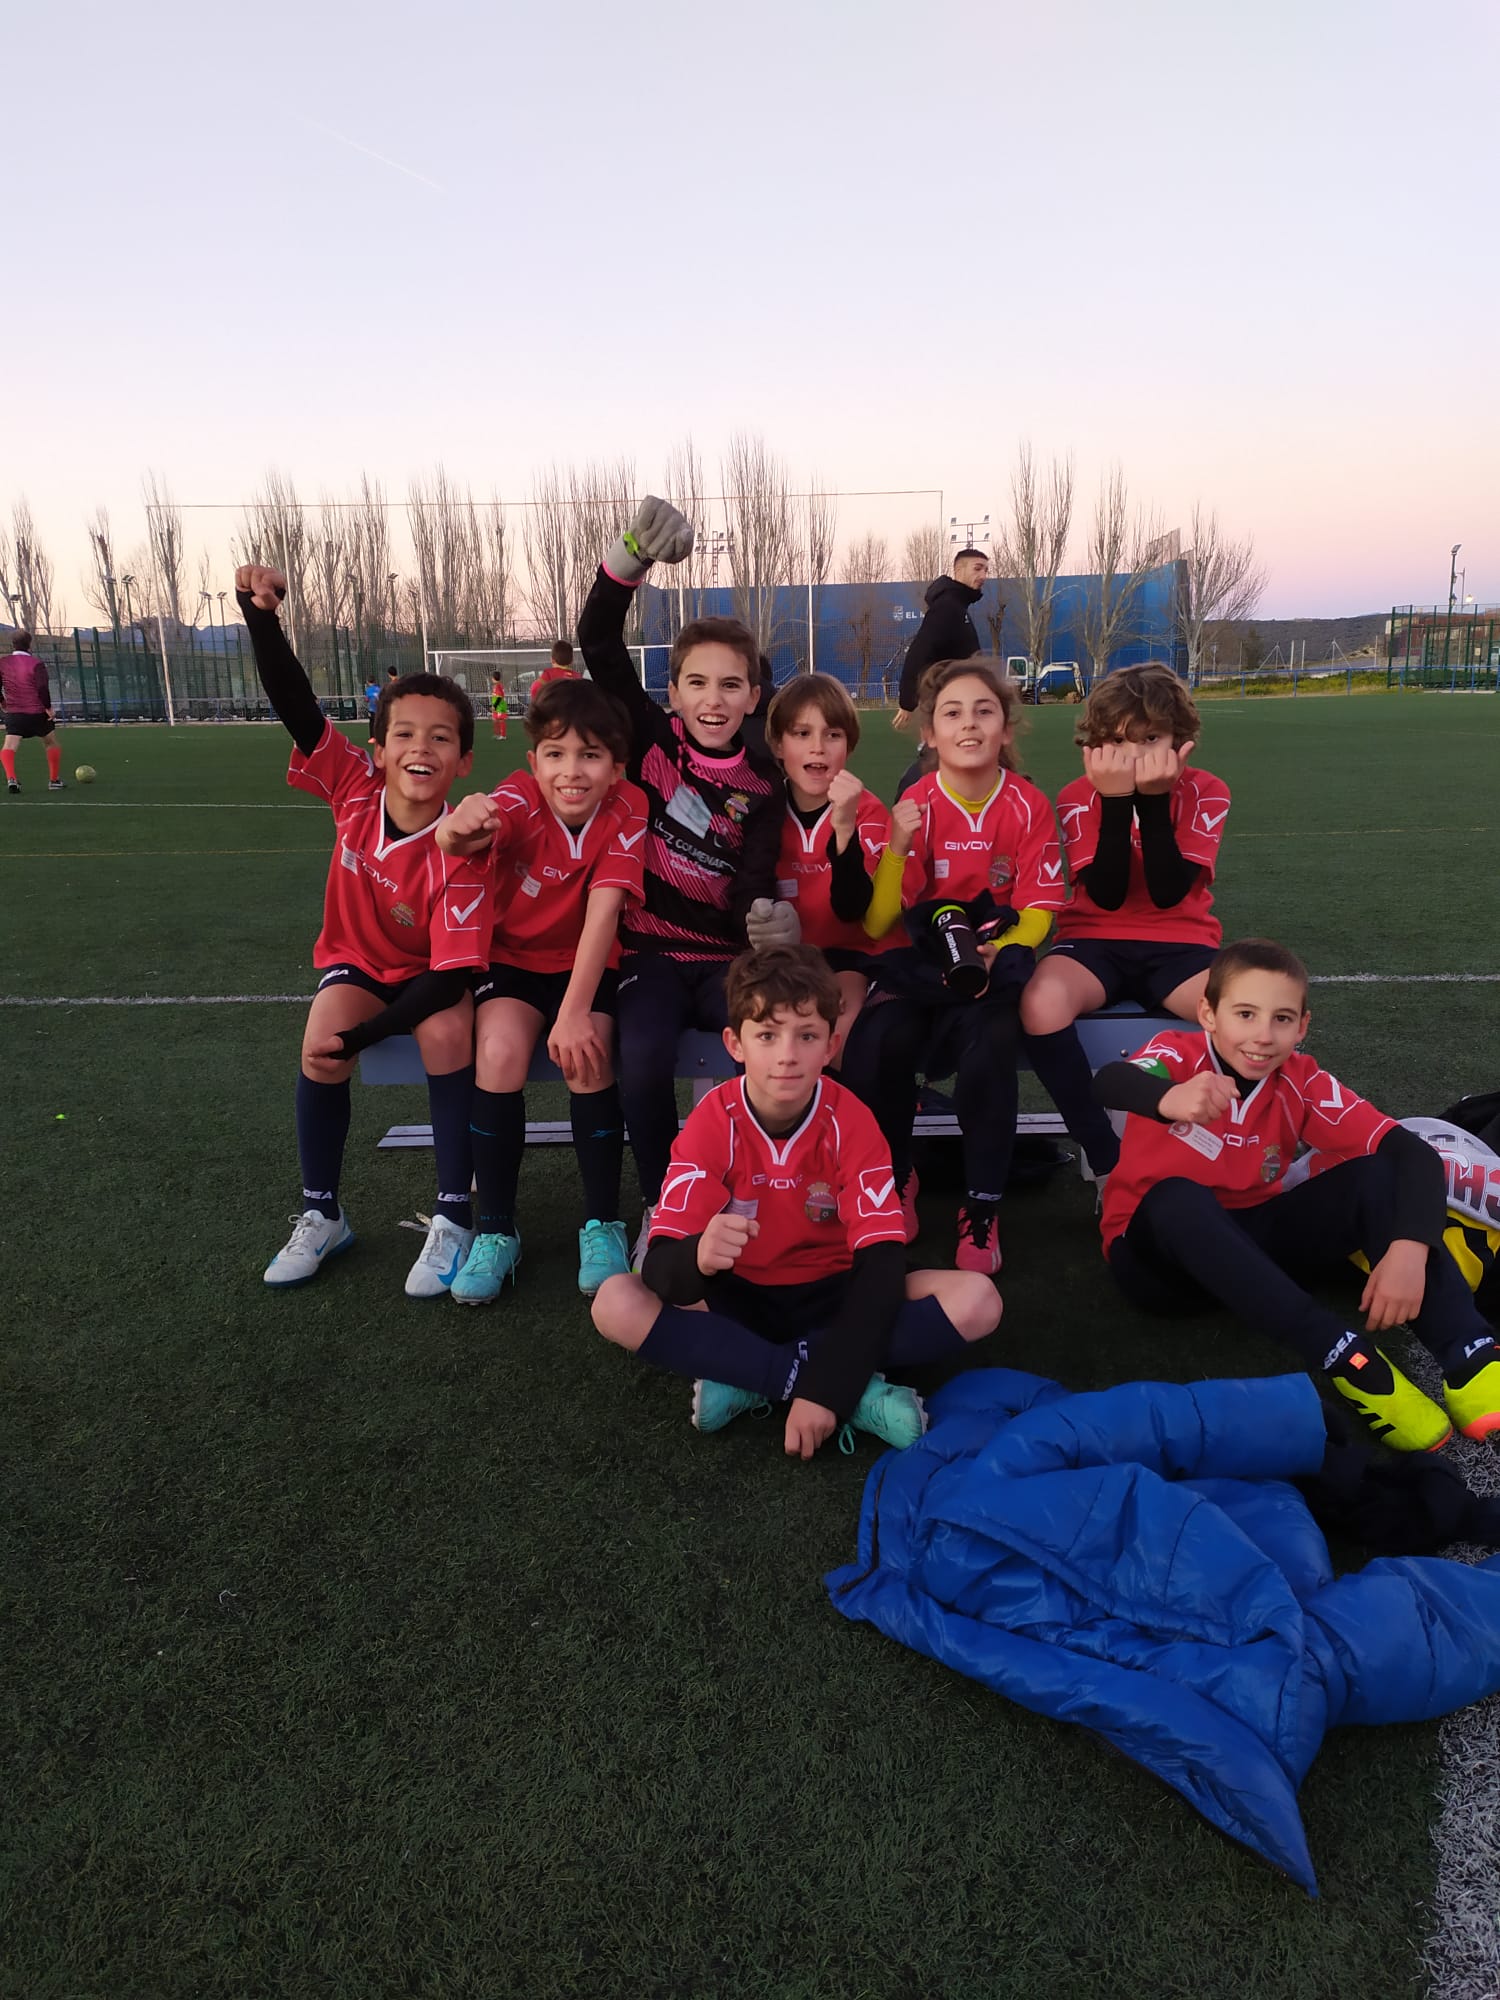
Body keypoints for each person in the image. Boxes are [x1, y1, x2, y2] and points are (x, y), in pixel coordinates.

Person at [590, 945, 1001, 1457]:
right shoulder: (712, 1121)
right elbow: (661, 1270)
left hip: (837, 1291)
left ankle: (745, 1373)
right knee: (615, 1301)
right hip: (738, 1298)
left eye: (806, 1035)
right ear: (735, 1043)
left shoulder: (851, 1120)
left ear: (830, 1045)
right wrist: (698, 1256)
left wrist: (825, 1393)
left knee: (979, 1301)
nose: (787, 1055)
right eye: (767, 1034)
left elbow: (880, 1267)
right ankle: (833, 1386)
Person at [1094, 936, 1500, 1452]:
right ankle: (1347, 1359)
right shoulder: (1177, 1052)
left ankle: (1471, 1355)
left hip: (1256, 1244)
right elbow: (1111, 1080)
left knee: (1376, 1175)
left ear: (1302, 1025)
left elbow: (1413, 1155)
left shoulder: (1301, 1080)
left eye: (1282, 1019)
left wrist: (1410, 1248)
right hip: (1160, 1267)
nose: (1263, 1036)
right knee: (1176, 1197)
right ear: (1208, 1014)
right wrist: (1167, 1097)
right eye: (1245, 1014)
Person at [235, 564, 492, 1298]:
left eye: (441, 738)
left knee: (447, 1034)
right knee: (319, 1045)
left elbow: (449, 976)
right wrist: (260, 618)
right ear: (378, 751)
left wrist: (370, 1036)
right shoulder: (353, 788)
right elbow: (297, 706)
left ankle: (454, 1215)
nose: (421, 747)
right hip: (359, 965)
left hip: (435, 977)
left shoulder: (466, 844)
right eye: (404, 733)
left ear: (463, 761)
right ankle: (323, 1213)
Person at [577, 496, 785, 1262]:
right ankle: (664, 1206)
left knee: (768, 1053)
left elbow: (752, 881)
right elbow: (598, 639)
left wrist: (764, 917)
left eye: (731, 686)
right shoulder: (652, 741)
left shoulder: (763, 784)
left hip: (725, 960)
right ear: (674, 694)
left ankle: (757, 1196)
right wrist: (630, 557)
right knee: (641, 1061)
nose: (713, 700)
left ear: (753, 697)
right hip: (652, 956)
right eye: (697, 683)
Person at [843, 659, 1066, 1274]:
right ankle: (896, 1177)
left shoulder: (1027, 804)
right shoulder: (915, 803)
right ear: (930, 733)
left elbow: (1040, 911)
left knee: (991, 1045)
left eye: (983, 711)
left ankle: (982, 1205)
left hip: (992, 967)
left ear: (1005, 728)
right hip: (921, 969)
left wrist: (999, 949)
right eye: (952, 713)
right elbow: (878, 925)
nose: (968, 724)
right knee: (881, 1039)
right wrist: (896, 847)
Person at [433, 679, 648, 1303]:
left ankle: (602, 1223)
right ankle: (496, 1230)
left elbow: (604, 911)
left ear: (616, 767)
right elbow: (464, 836)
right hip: (514, 962)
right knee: (498, 1052)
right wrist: (456, 829)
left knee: (589, 1054)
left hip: (587, 963)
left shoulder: (629, 805)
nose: (571, 771)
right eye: (555, 754)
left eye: (590, 755)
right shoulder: (520, 797)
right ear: (534, 762)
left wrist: (575, 1011)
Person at [1020, 663, 1232, 1181]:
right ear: (1095, 745)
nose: (1135, 755)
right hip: (1094, 940)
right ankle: (1102, 1150)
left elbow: (1168, 892)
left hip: (1182, 945)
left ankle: (1230, 1152)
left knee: (1241, 1013)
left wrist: (1153, 802)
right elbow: (1108, 895)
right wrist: (1116, 802)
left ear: (1180, 739)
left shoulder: (1207, 790)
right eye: (1118, 740)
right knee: (1041, 1003)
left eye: (1151, 738)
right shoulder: (1078, 794)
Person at [762, 673, 894, 1046]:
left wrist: (844, 831)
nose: (817, 747)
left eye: (832, 734)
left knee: (838, 1034)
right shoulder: (763, 812)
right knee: (766, 1029)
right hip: (783, 959)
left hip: (851, 958)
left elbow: (852, 909)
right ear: (778, 744)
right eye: (802, 734)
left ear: (849, 745)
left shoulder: (867, 811)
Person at [890, 547, 988, 733]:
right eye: (977, 568)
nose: (983, 576)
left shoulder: (958, 607)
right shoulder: (947, 607)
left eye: (986, 570)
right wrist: (907, 701)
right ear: (959, 570)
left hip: (961, 702)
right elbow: (919, 651)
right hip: (949, 704)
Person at [2, 632, 65, 793]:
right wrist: (48, 708)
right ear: (30, 644)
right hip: (37, 713)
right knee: (51, 742)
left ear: (13, 644)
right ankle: (54, 780)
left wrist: (2, 702)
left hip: (14, 713)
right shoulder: (36, 664)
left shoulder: (3, 663)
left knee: (9, 745)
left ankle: (11, 778)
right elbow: (42, 688)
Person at [489, 670, 508, 741]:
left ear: (494, 678)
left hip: (500, 706)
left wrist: (494, 706)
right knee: (495, 719)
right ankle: (498, 734)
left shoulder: (498, 686)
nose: (491, 678)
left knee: (501, 720)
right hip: (497, 705)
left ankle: (503, 735)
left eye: (492, 677)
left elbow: (499, 697)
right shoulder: (496, 685)